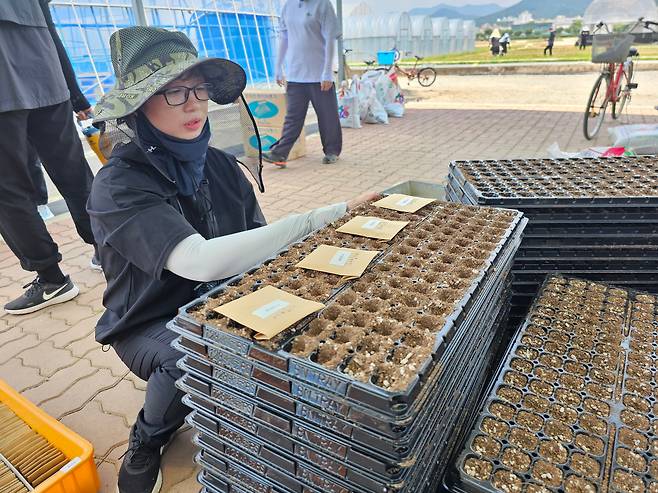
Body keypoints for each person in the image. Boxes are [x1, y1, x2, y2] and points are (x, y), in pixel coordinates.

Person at [88, 26, 376, 493]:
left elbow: (261, 243)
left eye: (199, 89)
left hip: (219, 298)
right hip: (148, 319)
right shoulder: (119, 186)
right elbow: (200, 261)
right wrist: (328, 215)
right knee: (188, 355)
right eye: (173, 91)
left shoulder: (219, 165)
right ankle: (148, 436)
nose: (194, 103)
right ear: (138, 105)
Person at [0, 0, 99, 315]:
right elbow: (51, 29)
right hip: (46, 77)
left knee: (8, 190)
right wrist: (75, 93)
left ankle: (51, 279)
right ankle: (111, 251)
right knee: (74, 174)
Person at [262, 0, 342, 167]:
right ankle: (280, 153)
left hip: (319, 74)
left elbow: (330, 40)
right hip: (295, 73)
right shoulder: (288, 6)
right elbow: (284, 37)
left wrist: (327, 72)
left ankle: (332, 151)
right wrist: (278, 68)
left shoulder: (323, 5)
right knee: (293, 117)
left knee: (327, 116)